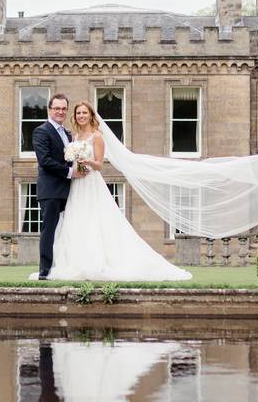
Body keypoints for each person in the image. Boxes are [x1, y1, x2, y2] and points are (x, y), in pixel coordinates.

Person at [39, 100, 192, 281]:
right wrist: (75, 167)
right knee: (77, 220)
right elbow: (63, 160)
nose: (81, 116)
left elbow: (99, 165)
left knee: (96, 221)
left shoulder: (97, 136)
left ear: (91, 116)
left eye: (84, 113)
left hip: (90, 183)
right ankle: (74, 261)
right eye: (78, 113)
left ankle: (98, 262)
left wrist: (86, 163)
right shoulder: (73, 137)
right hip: (75, 184)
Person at [32, 93, 86, 280]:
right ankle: (44, 271)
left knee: (69, 229)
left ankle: (66, 265)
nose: (60, 112)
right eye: (57, 108)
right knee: (49, 230)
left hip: (70, 190)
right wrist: (71, 173)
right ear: (50, 109)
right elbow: (45, 161)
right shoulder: (41, 131)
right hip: (51, 190)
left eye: (63, 108)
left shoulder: (68, 134)